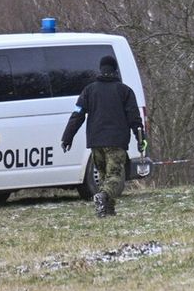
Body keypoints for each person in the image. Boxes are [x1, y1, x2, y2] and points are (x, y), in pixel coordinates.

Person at [61, 55, 143, 217]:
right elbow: (134, 118)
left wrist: (67, 136)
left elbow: (77, 115)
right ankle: (103, 197)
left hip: (95, 141)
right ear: (115, 70)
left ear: (101, 69)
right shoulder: (124, 91)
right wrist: (141, 139)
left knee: (105, 176)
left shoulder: (89, 90)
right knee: (114, 176)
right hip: (116, 141)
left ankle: (108, 210)